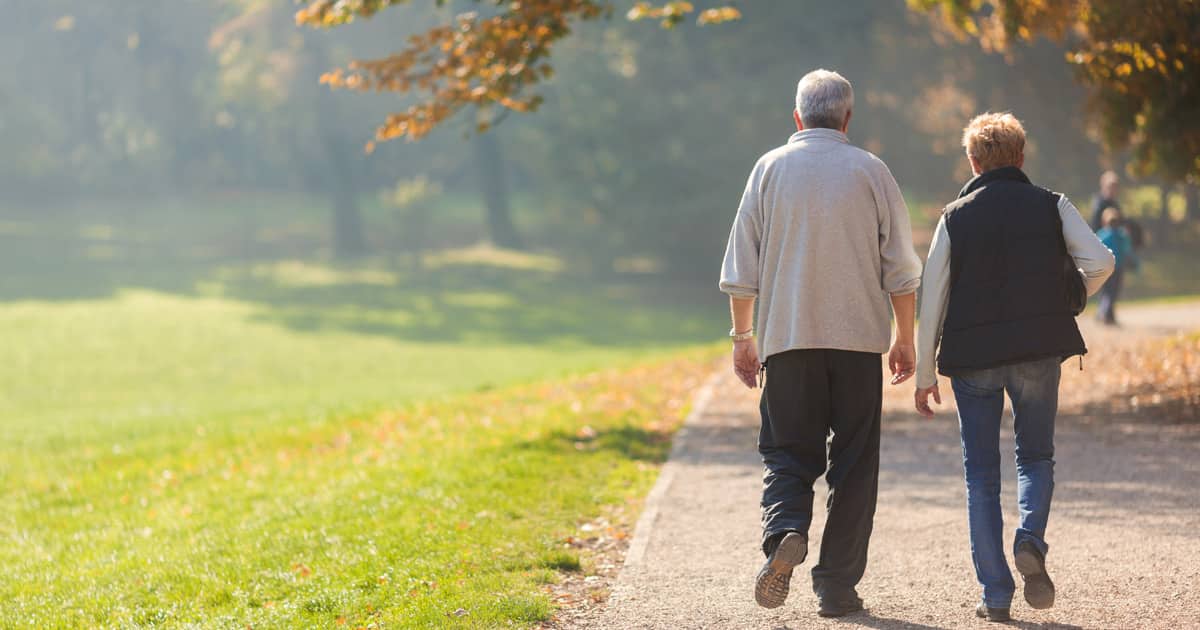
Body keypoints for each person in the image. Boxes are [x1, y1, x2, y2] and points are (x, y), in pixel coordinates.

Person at [719, 69, 922, 618]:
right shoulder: (872, 171)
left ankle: (785, 530)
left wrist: (743, 337)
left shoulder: (769, 169)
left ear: (797, 117)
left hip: (788, 341)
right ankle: (835, 588)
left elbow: (743, 267)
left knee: (787, 451)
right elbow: (901, 270)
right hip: (858, 346)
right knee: (855, 465)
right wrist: (905, 338)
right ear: (847, 118)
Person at [913, 112, 1115, 622]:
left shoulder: (954, 216)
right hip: (1039, 350)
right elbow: (1102, 261)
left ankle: (996, 595)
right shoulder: (1053, 205)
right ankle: (1030, 540)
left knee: (980, 477)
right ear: (1022, 157)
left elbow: (932, 294)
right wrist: (1069, 295)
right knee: (1036, 458)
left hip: (973, 360)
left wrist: (923, 372)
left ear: (973, 161)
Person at [1096, 207, 1139, 325]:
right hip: (1118, 267)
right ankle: (1106, 314)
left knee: (1106, 292)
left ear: (1105, 221)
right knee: (1113, 292)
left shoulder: (1101, 235)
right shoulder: (1122, 235)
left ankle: (1105, 314)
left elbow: (1095, 250)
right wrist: (1134, 263)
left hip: (1104, 267)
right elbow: (1127, 250)